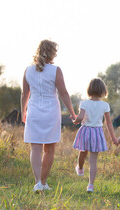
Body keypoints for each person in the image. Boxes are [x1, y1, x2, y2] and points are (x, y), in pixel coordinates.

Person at [21, 39, 76, 193]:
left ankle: (38, 183)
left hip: (34, 111)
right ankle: (43, 182)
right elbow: (63, 93)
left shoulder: (28, 70)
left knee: (35, 148)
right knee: (49, 149)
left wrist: (23, 111)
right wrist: (72, 113)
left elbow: (25, 94)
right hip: (51, 111)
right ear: (51, 53)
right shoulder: (55, 70)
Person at [72, 78, 118, 193]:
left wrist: (75, 120)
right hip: (97, 132)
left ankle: (80, 168)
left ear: (89, 90)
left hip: (85, 131)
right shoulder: (105, 105)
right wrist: (113, 138)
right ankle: (90, 185)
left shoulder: (84, 103)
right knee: (93, 160)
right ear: (103, 91)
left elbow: (81, 117)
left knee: (82, 152)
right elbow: (108, 123)